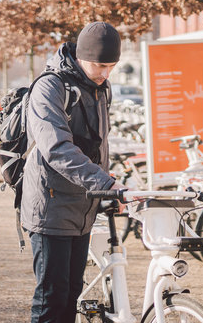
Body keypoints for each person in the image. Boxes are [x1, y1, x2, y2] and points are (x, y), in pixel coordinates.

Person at [21, 21, 127, 323]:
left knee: (71, 294)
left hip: (82, 208)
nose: (106, 74)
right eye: (100, 65)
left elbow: (99, 147)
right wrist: (105, 183)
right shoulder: (49, 87)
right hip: (49, 208)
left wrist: (107, 187)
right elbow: (57, 149)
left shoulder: (100, 89)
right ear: (82, 57)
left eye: (112, 66)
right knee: (51, 299)